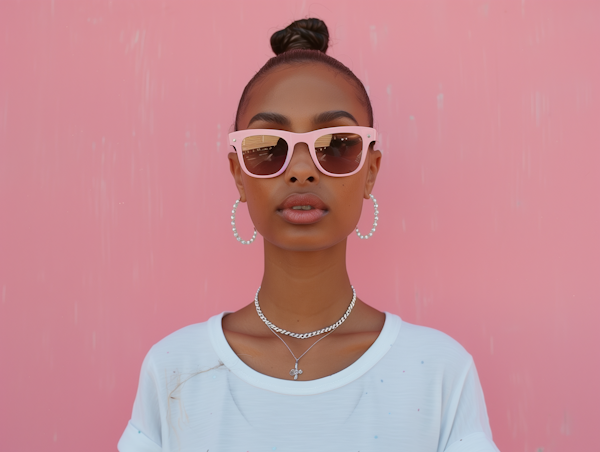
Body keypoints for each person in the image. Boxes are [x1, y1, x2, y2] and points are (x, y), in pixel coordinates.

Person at [118, 18, 500, 452]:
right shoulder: (174, 370)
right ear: (238, 175)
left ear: (370, 172)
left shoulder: (439, 373)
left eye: (337, 144)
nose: (301, 170)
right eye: (268, 148)